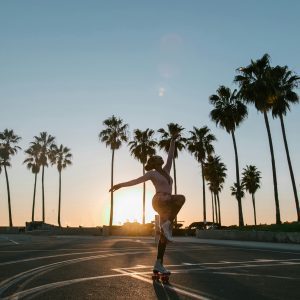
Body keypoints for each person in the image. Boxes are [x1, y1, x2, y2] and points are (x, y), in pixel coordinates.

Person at [109, 134, 185, 274]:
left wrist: (173, 141)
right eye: (157, 158)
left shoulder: (167, 171)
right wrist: (120, 185)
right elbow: (136, 181)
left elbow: (170, 156)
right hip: (159, 200)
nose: (160, 157)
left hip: (167, 203)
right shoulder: (152, 173)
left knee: (164, 235)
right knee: (180, 198)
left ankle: (158, 263)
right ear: (154, 163)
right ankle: (167, 225)